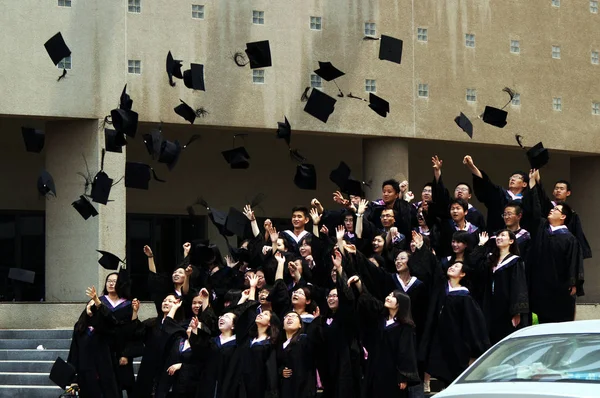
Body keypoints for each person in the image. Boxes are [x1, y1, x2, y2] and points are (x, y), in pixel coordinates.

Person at [526, 169, 584, 323]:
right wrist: (533, 183)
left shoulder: (570, 239)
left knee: (560, 322)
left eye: (556, 210)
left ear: (563, 216)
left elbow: (574, 262)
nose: (552, 210)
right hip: (540, 285)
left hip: (559, 287)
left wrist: (573, 282)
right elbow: (538, 208)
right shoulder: (542, 229)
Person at [349, 276, 420, 398]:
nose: (388, 297)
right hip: (374, 366)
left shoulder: (405, 327)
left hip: (392, 371)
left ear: (399, 303)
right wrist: (359, 283)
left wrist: (403, 376)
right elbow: (368, 300)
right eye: (389, 294)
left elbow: (406, 352)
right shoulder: (381, 318)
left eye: (393, 296)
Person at [471, 231, 529, 344]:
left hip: (506, 309)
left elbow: (519, 286)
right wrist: (481, 245)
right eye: (498, 236)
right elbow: (472, 264)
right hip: (489, 306)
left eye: (503, 235)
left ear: (511, 241)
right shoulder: (490, 260)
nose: (499, 238)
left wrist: (517, 312)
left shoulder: (515, 261)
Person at [67, 286, 120, 398]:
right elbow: (74, 354)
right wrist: (73, 379)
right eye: (90, 304)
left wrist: (98, 302)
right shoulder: (80, 327)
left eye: (95, 306)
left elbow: (112, 321)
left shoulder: (104, 327)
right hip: (85, 373)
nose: (92, 307)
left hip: (104, 372)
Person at [463, 155, 529, 233]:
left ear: (524, 184)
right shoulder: (500, 194)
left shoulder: (526, 202)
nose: (512, 179)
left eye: (517, 177)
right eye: (511, 178)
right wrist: (472, 166)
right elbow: (486, 184)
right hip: (495, 236)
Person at [533, 173, 592, 259]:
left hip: (563, 248)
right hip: (547, 246)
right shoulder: (548, 208)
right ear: (553, 192)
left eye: (561, 189)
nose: (558, 190)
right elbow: (543, 197)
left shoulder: (572, 215)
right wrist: (538, 180)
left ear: (568, 193)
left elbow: (577, 233)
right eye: (556, 188)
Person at [431, 155, 486, 230]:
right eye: (457, 189)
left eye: (463, 189)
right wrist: (437, 171)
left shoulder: (476, 214)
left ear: (469, 195)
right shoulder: (448, 207)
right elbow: (441, 193)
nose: (460, 191)